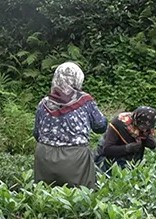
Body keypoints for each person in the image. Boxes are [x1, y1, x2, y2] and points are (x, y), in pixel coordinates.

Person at [32, 62, 108, 190]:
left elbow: (36, 134)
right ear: (78, 79)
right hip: (76, 159)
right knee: (79, 198)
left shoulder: (44, 103)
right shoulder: (85, 101)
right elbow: (100, 126)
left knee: (45, 197)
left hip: (44, 156)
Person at [95, 106, 156, 173]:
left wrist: (148, 140)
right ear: (136, 120)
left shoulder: (146, 125)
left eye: (147, 127)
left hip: (131, 160)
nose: (145, 129)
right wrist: (127, 148)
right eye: (143, 126)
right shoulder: (119, 123)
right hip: (109, 158)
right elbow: (107, 149)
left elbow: (152, 145)